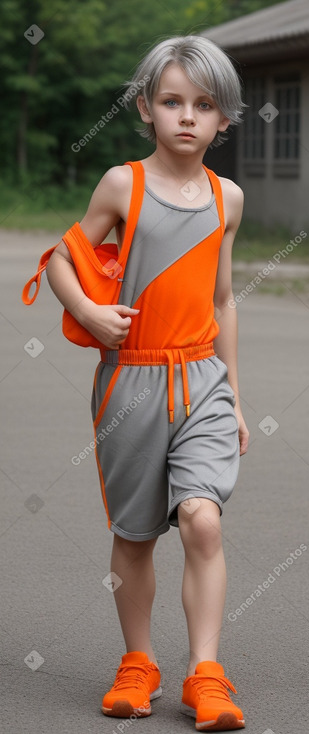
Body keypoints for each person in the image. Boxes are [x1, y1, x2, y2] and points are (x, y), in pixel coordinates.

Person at [45, 35, 249, 732]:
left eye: (204, 104)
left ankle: (206, 675)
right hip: (128, 384)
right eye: (172, 101)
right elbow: (60, 260)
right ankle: (139, 663)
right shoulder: (120, 183)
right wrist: (87, 310)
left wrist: (235, 397)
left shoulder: (229, 198)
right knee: (134, 537)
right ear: (145, 109)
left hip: (202, 380)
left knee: (202, 519)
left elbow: (223, 300)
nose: (187, 116)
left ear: (223, 118)